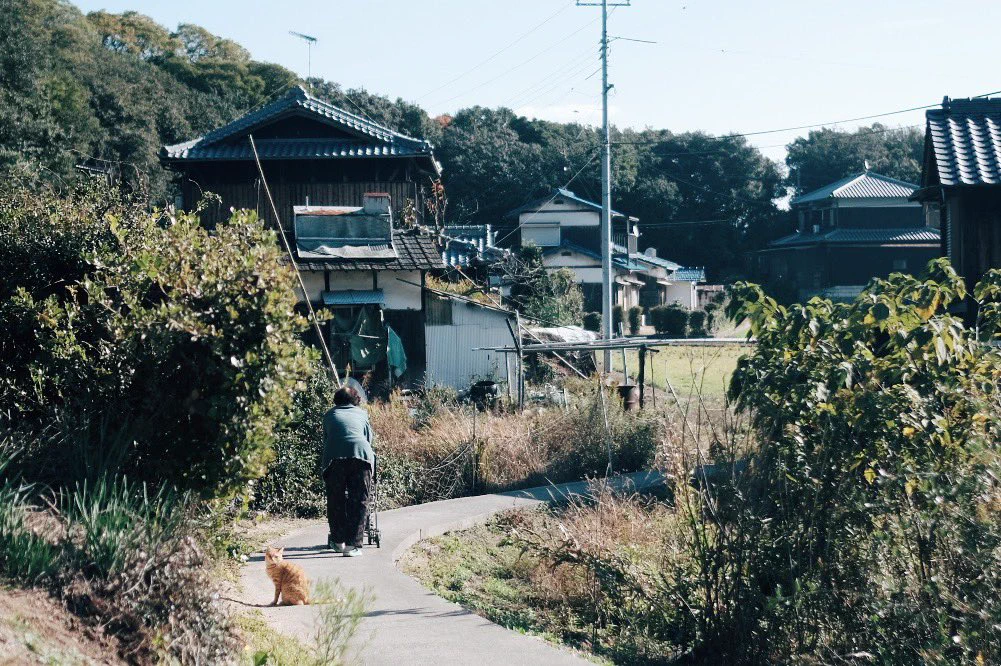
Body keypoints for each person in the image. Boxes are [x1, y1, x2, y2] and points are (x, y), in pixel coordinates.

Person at [321, 386, 374, 557]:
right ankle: (353, 546)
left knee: (335, 499)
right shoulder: (362, 414)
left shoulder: (329, 415)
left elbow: (327, 438)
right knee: (359, 500)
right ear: (356, 400)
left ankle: (338, 542)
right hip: (361, 456)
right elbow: (368, 438)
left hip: (334, 458)